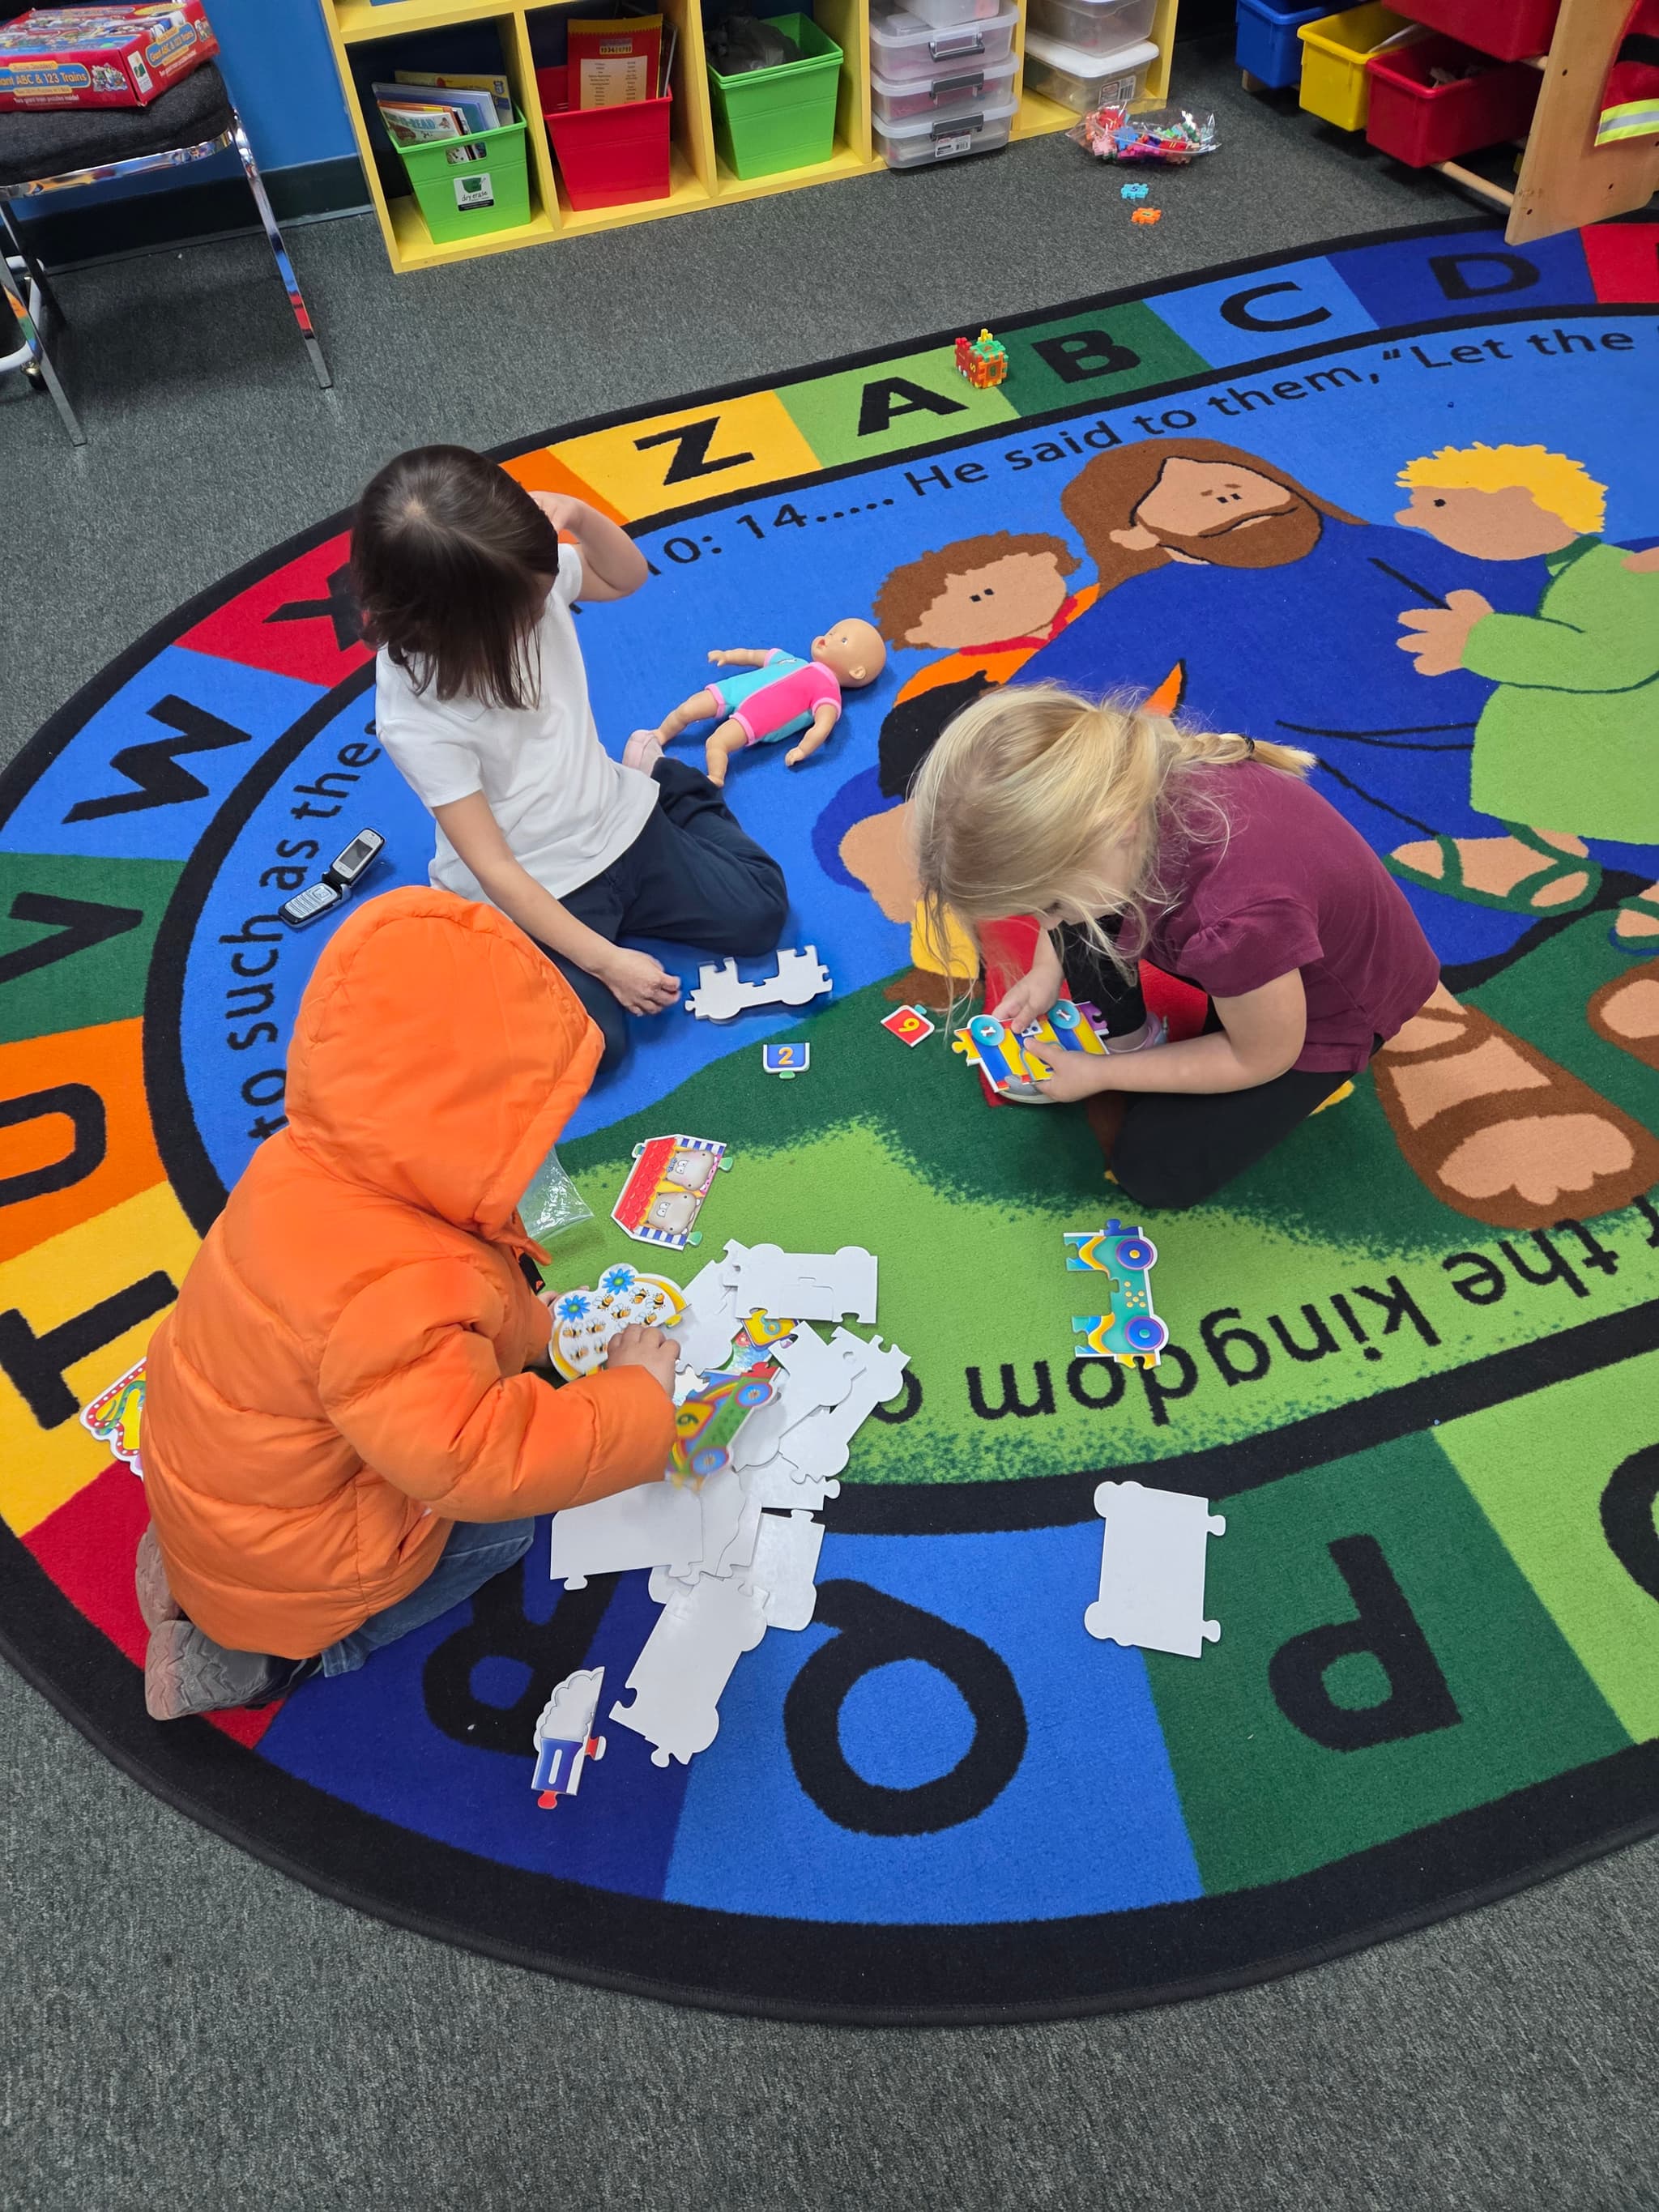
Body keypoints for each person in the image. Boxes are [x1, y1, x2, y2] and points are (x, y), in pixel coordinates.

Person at [137, 887, 680, 1721]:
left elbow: (453, 1299)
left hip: (220, 1496)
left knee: (268, 1500)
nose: (541, 1153)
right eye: (527, 1130)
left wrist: (535, 1326)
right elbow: (479, 1463)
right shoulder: (394, 1292)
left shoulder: (308, 1164)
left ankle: (193, 1577)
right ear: (464, 1127)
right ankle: (280, 1662)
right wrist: (636, 1401)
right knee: (503, 1537)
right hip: (296, 1568)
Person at [908, 684, 1447, 1212]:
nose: (1044, 924)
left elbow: (1261, 1054)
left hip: (1328, 1014)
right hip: (1255, 951)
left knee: (1152, 1167)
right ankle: (1131, 1039)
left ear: (1110, 828)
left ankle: (1140, 1056)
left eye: (1046, 907)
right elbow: (1075, 902)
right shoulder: (1124, 783)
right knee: (1084, 914)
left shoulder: (1233, 919)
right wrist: (1047, 973)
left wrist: (1099, 1075)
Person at [355, 445, 788, 1075]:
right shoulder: (415, 713)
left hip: (617, 819)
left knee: (761, 914)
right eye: (524, 610)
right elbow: (498, 869)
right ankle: (503, 953)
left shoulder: (513, 576)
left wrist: (580, 515)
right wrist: (604, 961)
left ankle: (671, 787)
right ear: (456, 621)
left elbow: (627, 576)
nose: (544, 607)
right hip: (531, 882)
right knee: (591, 1050)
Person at [1390, 441, 1659, 948]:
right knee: (1528, 737)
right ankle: (1545, 851)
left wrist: (1481, 640)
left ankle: (1550, 851)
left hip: (1635, 733)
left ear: (1520, 498)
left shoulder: (1615, 575)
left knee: (1544, 738)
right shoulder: (1579, 570)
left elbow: (1611, 658)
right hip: (1608, 724)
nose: (1414, 518)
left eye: (1439, 505)